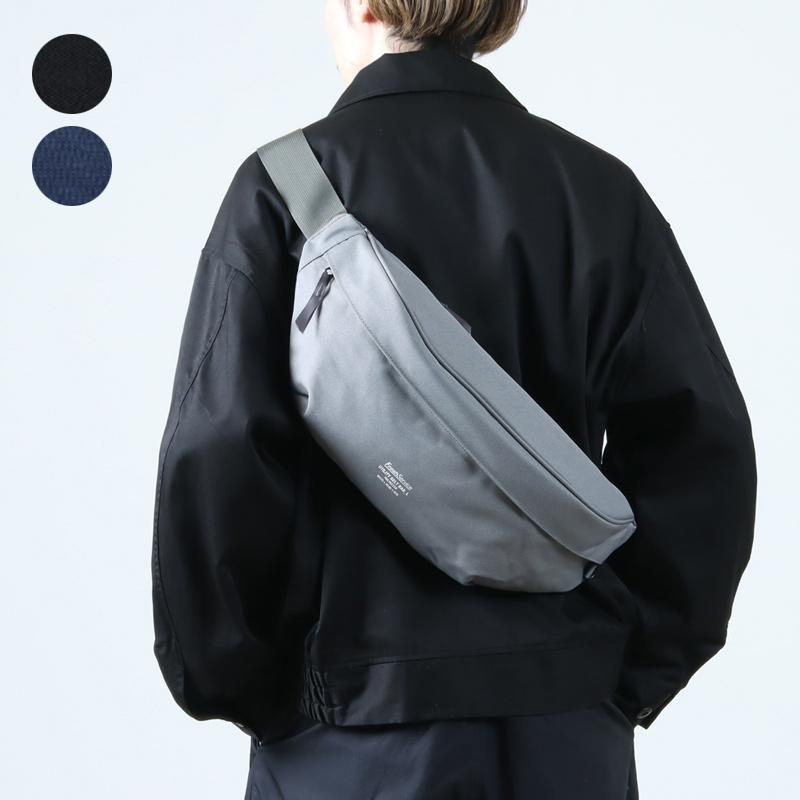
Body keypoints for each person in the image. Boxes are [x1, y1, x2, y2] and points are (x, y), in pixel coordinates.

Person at [150, 1, 758, 797]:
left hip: (352, 729)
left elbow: (219, 456)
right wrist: (625, 671)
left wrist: (246, 686)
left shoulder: (285, 188)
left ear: (363, 5)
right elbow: (701, 448)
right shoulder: (600, 189)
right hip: (566, 725)